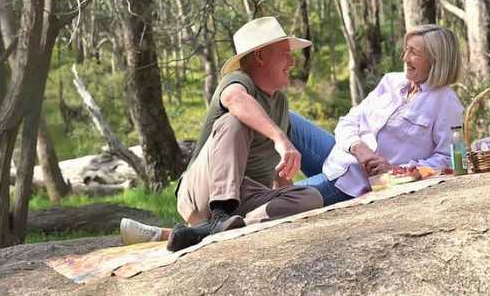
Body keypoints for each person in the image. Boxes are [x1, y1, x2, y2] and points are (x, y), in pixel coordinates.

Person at [121, 17, 324, 251]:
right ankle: (218, 217)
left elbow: (280, 175)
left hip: (246, 199)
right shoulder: (237, 81)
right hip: (205, 191)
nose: (292, 62)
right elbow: (233, 99)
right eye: (285, 54)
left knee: (312, 197)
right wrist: (281, 138)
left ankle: (206, 232)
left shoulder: (280, 103)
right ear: (260, 56)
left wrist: (288, 199)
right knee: (233, 121)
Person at [289, 24, 464, 206]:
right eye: (406, 50)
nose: (405, 58)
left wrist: (397, 170)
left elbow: (448, 159)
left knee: (278, 200)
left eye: (414, 53)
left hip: (356, 183)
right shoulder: (391, 81)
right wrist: (358, 148)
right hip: (340, 153)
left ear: (436, 60)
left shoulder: (446, 102)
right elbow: (349, 120)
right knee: (284, 116)